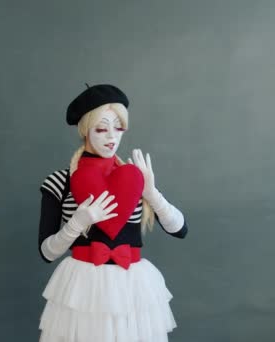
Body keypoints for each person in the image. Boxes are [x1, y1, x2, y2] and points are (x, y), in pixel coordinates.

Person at [37, 84, 188, 342]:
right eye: (101, 128)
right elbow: (46, 252)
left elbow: (180, 229)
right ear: (85, 130)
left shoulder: (134, 176)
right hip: (82, 288)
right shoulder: (60, 181)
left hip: (133, 289)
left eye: (118, 127)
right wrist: (76, 224)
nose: (111, 137)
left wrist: (151, 192)